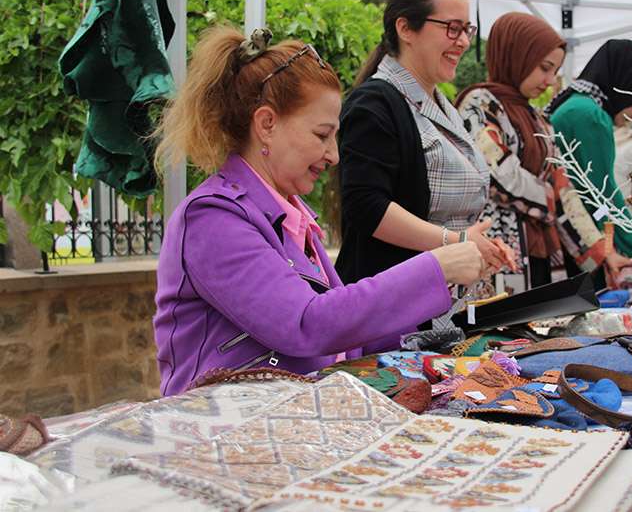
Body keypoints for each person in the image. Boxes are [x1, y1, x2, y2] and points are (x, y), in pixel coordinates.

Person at [152, 26, 485, 396]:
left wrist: (441, 336)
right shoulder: (211, 219)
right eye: (322, 135)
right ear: (266, 125)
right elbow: (306, 324)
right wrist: (435, 268)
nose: (334, 155)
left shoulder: (288, 216)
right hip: (220, 423)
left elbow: (344, 341)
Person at [335, 0, 515, 292]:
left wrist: (478, 243)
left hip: (443, 300)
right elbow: (366, 206)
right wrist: (457, 240)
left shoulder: (442, 104)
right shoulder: (373, 104)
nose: (463, 41)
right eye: (452, 28)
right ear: (405, 28)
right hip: (395, 302)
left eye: (467, 29)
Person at [456, 12, 632, 293]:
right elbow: (500, 175)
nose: (550, 81)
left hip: (541, 254)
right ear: (517, 56)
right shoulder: (479, 106)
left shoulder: (536, 118)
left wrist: (603, 254)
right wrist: (552, 194)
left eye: (555, 71)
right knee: (503, 319)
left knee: (540, 319)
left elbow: (565, 189)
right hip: (497, 251)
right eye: (544, 68)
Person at [547, 39, 632, 264]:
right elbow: (601, 193)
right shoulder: (590, 116)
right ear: (625, 86)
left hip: (566, 234)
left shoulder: (574, 105)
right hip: (578, 242)